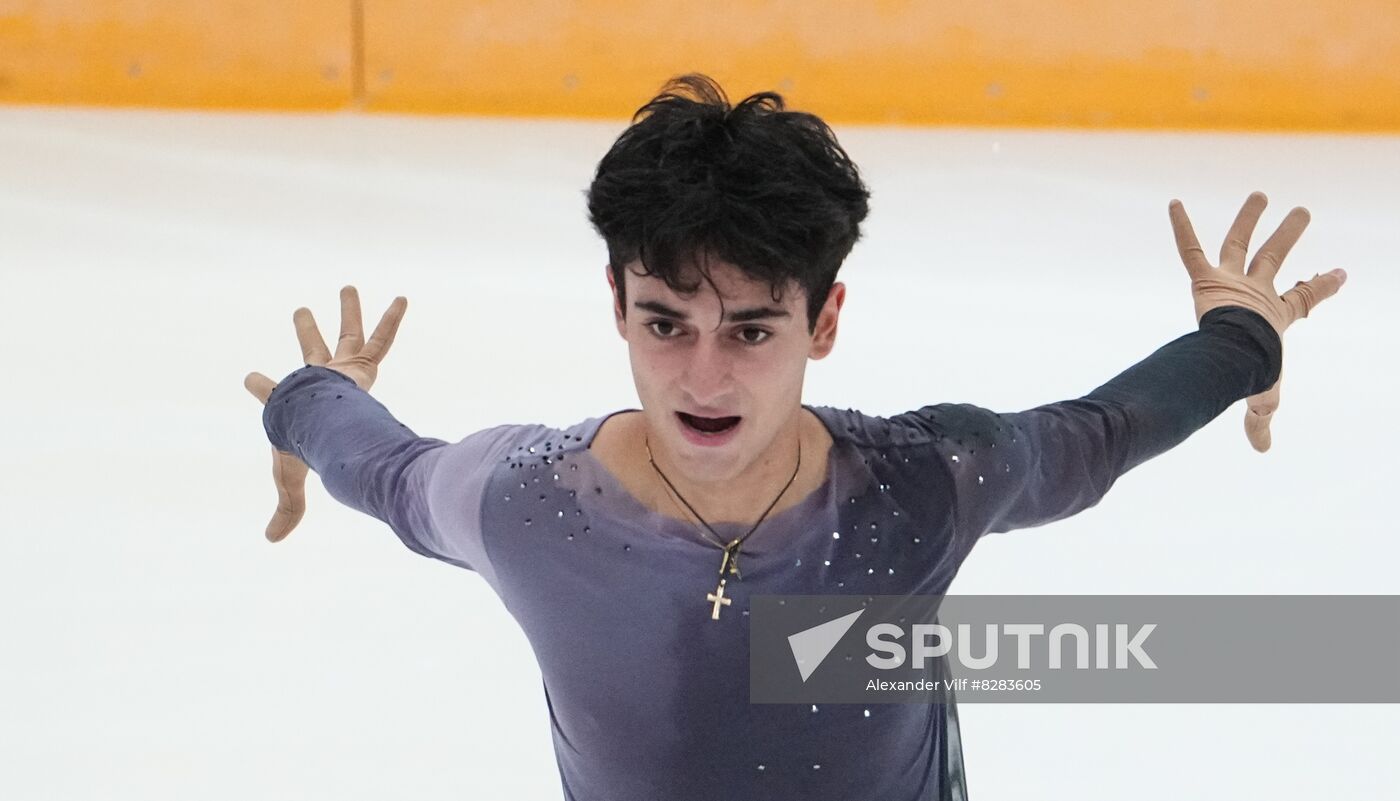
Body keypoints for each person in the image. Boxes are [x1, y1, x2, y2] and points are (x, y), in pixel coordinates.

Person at [242, 75, 1345, 801]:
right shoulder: (526, 505)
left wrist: (1242, 337)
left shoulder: (917, 487)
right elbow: (379, 468)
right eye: (664, 323)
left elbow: (1100, 434)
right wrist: (308, 394)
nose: (704, 377)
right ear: (616, 306)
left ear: (823, 321)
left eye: (752, 329)